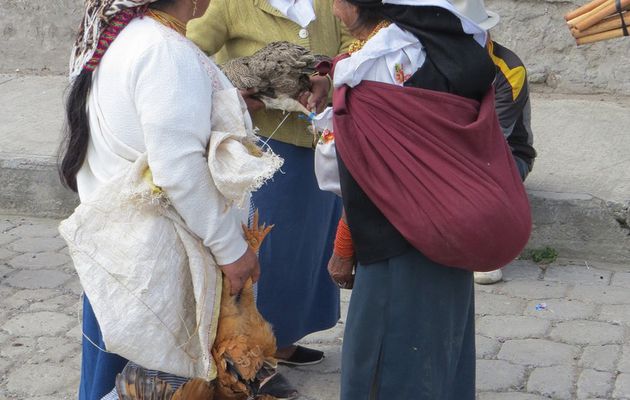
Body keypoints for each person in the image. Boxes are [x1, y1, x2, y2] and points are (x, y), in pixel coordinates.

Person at [316, 0, 532, 398]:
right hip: (450, 233)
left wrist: (345, 244)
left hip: (394, 240)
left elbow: (346, 170)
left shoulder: (372, 65)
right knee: (439, 354)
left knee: (388, 362)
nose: (332, 8)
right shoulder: (455, 54)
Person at [58, 0, 265, 398]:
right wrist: (231, 249)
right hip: (157, 263)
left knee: (119, 378)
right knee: (154, 385)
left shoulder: (123, 34)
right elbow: (179, 169)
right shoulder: (164, 50)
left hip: (123, 252)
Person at [188, 1, 353, 365]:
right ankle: (248, 354)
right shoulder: (231, 4)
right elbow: (187, 50)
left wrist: (330, 78)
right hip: (264, 149)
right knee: (267, 250)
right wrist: (231, 92)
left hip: (320, 142)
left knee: (306, 250)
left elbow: (350, 48)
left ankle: (283, 340)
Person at [474, 26, 538, 284]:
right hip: (455, 150)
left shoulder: (510, 69)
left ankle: (484, 250)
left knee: (484, 171)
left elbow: (490, 141)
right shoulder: (437, 58)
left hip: (506, 154)